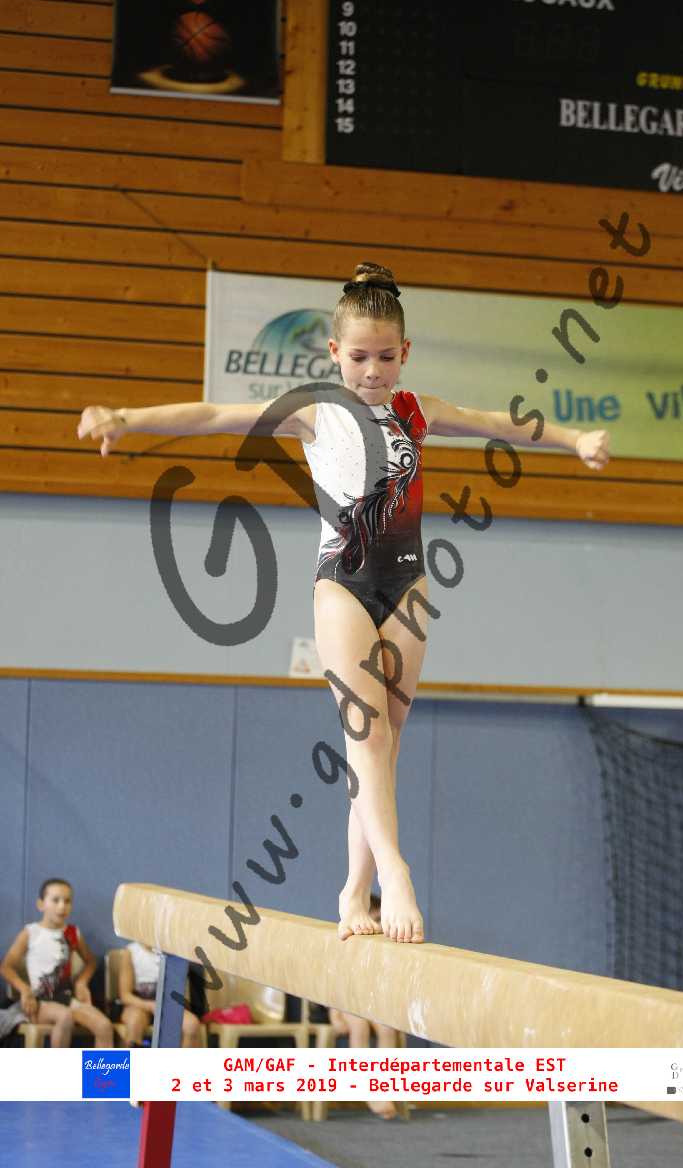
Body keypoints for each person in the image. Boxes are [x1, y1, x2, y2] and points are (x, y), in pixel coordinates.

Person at [76, 261, 610, 947]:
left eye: (386, 356)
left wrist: (573, 440)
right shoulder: (314, 410)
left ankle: (354, 887)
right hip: (342, 584)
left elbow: (497, 424)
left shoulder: (417, 411)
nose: (373, 370)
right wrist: (126, 418)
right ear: (334, 352)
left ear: (405, 352)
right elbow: (213, 415)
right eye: (359, 357)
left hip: (408, 584)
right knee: (368, 736)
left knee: (385, 749)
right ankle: (394, 872)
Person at [0, 878, 115, 1048]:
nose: (62, 906)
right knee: (65, 1017)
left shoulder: (73, 933)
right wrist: (24, 989)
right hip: (39, 1001)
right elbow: (6, 967)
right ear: (41, 904)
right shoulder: (31, 933)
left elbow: (91, 961)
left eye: (67, 901)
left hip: (66, 999)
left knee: (104, 1026)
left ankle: (102, 1068)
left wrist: (82, 982)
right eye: (55, 900)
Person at [326, 893, 402, 1119]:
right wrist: (335, 1015)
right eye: (372, 920)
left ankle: (383, 1088)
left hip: (372, 1004)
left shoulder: (385, 951)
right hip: (345, 1003)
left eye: (380, 920)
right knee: (359, 1027)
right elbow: (334, 985)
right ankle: (367, 1087)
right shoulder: (346, 943)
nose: (376, 927)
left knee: (387, 1029)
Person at [117, 940, 203, 1048]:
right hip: (139, 1003)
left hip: (167, 1003)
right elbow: (125, 995)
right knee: (134, 1021)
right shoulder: (131, 952)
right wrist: (151, 1006)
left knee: (191, 1025)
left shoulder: (173, 952)